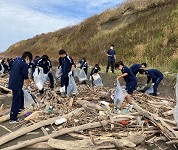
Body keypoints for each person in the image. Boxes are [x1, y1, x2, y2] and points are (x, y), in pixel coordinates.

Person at [8, 52, 32, 123]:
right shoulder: (24, 64)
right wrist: (28, 86)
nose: (29, 61)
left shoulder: (16, 61)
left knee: (20, 95)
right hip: (17, 84)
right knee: (16, 100)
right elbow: (26, 76)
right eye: (29, 59)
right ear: (27, 57)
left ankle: (19, 109)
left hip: (12, 82)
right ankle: (13, 118)